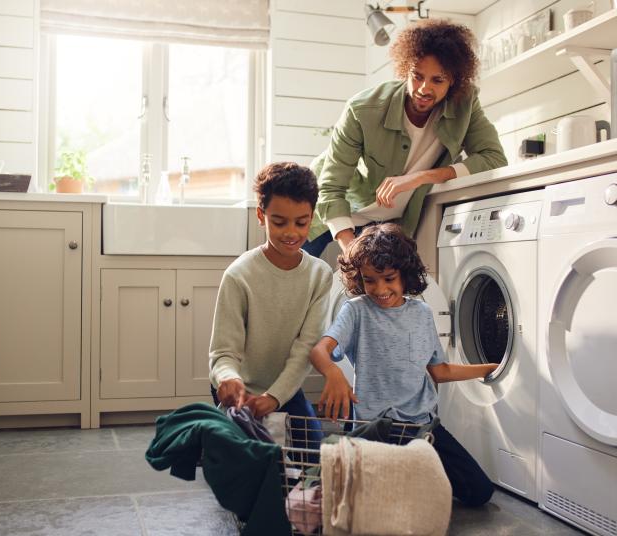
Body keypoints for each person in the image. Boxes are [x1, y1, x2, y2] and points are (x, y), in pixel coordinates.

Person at [309, 223, 497, 506]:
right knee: (368, 502)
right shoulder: (356, 310)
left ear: (404, 275)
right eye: (370, 280)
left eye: (388, 278)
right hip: (374, 428)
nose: (380, 289)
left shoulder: (421, 313)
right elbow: (320, 350)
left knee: (480, 492)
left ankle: (411, 477)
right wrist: (333, 373)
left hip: (422, 427)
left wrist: (489, 368)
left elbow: (439, 370)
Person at [304, 19, 507, 258]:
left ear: (453, 80)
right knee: (296, 275)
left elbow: (494, 159)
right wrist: (352, 254)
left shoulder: (465, 104)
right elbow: (331, 188)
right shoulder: (362, 109)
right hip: (332, 206)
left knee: (379, 289)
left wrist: (419, 178)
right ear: (405, 68)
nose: (423, 88)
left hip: (388, 221)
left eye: (437, 80)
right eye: (417, 76)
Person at [209, 161, 333, 449]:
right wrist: (228, 378)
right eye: (279, 222)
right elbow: (223, 353)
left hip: (286, 389)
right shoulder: (239, 275)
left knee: (314, 464)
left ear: (312, 218)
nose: (291, 232)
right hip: (237, 389)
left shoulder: (319, 275)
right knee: (244, 464)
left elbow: (305, 349)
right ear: (260, 216)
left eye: (301, 222)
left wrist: (274, 398)